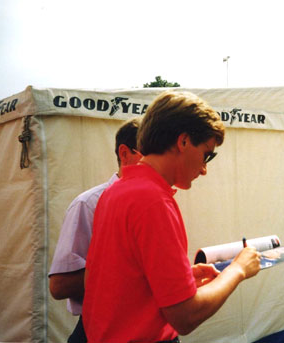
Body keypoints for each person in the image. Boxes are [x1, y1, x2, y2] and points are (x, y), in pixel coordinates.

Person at [82, 90, 261, 342]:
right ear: (184, 141)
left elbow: (114, 282)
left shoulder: (114, 192)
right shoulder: (154, 201)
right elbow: (185, 316)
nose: (204, 168)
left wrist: (179, 280)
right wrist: (238, 269)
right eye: (207, 154)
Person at [48, 117, 142, 343]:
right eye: (149, 155)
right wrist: (133, 268)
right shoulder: (88, 204)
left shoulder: (156, 202)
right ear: (124, 153)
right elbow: (59, 286)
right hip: (100, 330)